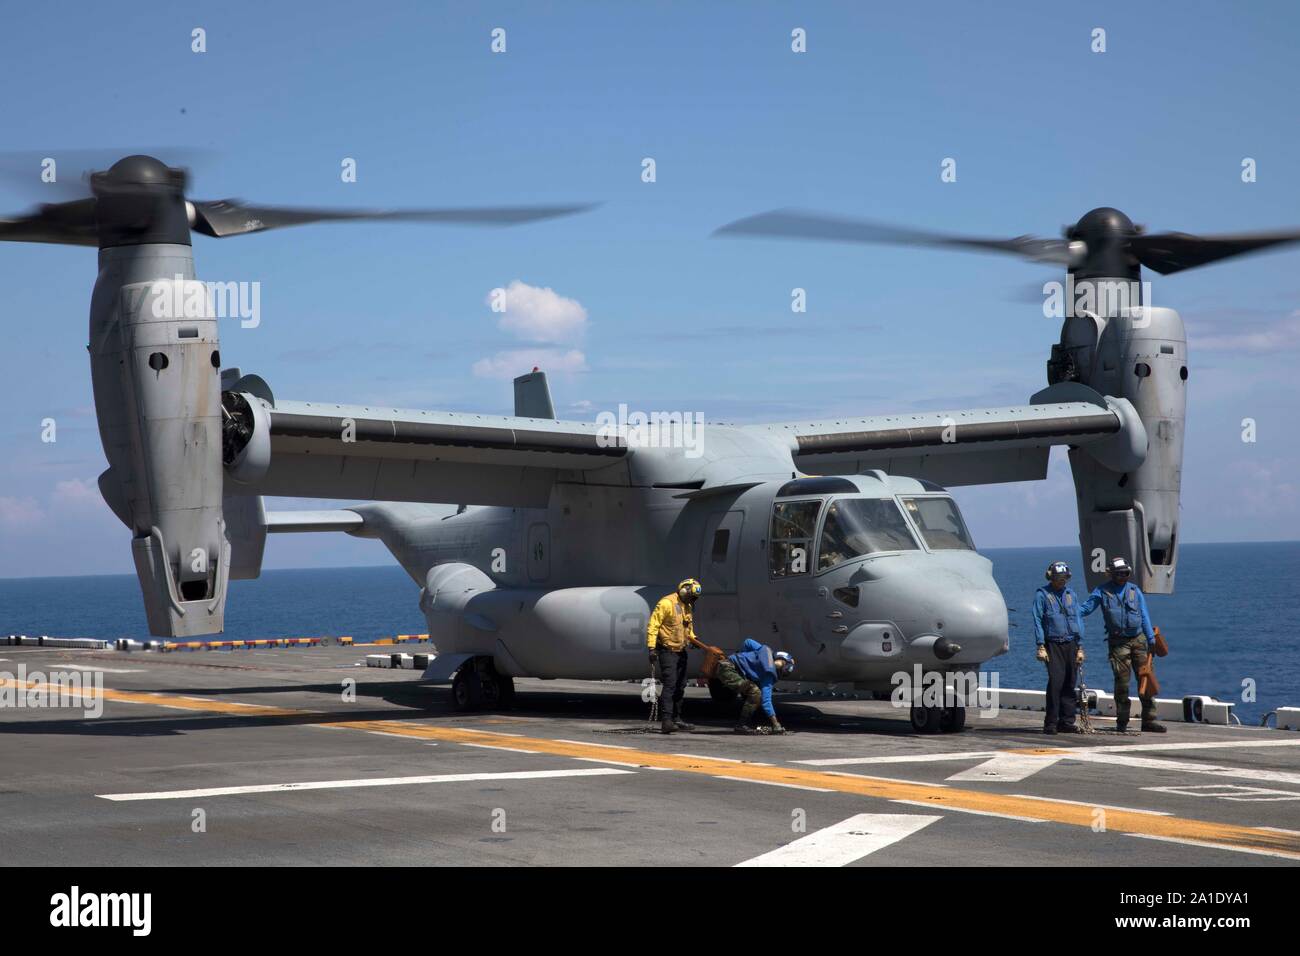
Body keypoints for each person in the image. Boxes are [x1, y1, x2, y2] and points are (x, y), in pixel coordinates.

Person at [1080, 556, 1167, 734]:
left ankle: (1149, 720)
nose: (1122, 576)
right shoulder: (1101, 592)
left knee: (1146, 680)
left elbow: (1144, 615)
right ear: (1111, 574)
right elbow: (1085, 609)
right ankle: (1122, 721)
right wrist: (1069, 613)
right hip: (1118, 643)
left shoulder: (1135, 591)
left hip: (1139, 640)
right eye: (1119, 573)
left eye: (1125, 573)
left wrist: (1150, 638)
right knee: (1122, 683)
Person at [1032, 560, 1086, 735]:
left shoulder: (1071, 594)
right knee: (1056, 683)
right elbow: (1037, 620)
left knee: (1070, 682)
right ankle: (1051, 723)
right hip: (1053, 644)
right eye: (1058, 578)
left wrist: (1080, 646)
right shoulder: (1042, 595)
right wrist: (1040, 645)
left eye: (1064, 578)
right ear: (1051, 577)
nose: (1061, 581)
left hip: (1071, 643)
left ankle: (1067, 722)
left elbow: (1078, 619)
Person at [702, 637, 795, 735]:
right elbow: (766, 702)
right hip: (728, 670)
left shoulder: (765, 650)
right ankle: (741, 725)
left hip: (726, 665)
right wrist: (776, 724)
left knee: (752, 689)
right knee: (755, 693)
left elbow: (748, 642)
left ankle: (742, 725)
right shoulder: (769, 674)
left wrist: (742, 656)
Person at [646, 578, 703, 734]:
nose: (692, 600)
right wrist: (651, 648)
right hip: (667, 651)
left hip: (681, 651)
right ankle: (666, 721)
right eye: (691, 596)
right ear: (683, 590)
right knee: (670, 685)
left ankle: (677, 719)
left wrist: (693, 638)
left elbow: (688, 627)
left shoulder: (687, 606)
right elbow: (653, 625)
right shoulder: (666, 603)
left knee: (681, 685)